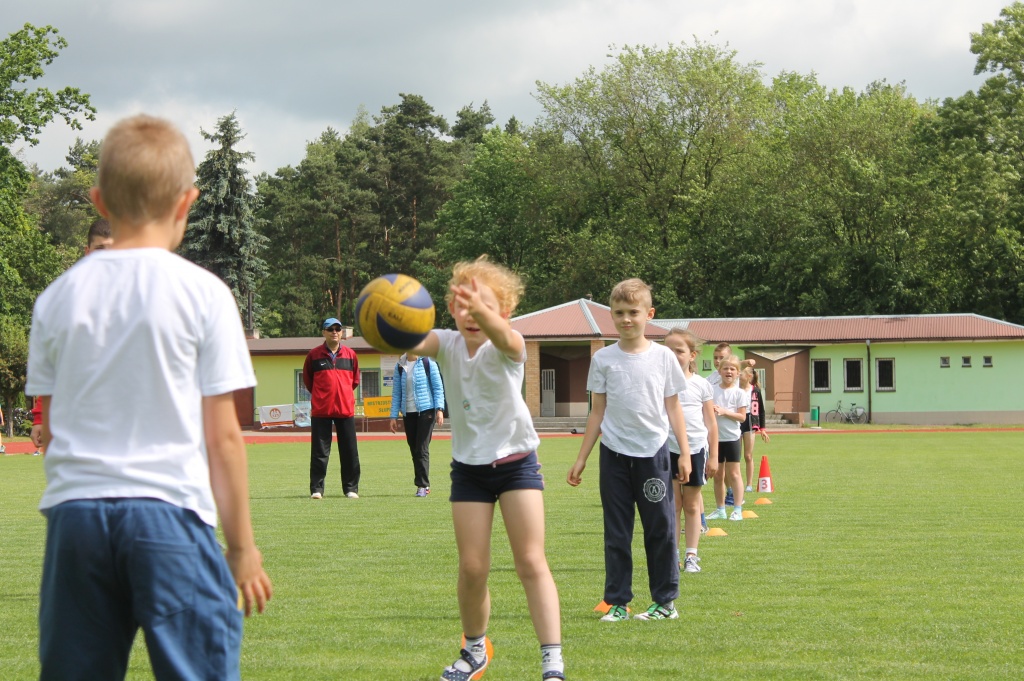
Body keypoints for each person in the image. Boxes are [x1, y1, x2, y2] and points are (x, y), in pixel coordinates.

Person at [25, 114, 272, 680]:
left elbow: (52, 425)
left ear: (99, 200)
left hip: (76, 520)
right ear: (188, 201)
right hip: (170, 515)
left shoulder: (56, 300)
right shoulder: (205, 294)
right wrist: (241, 547)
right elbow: (224, 435)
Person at [410, 255, 564, 681]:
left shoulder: (510, 342)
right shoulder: (447, 342)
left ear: (505, 311)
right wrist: (388, 316)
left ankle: (552, 660)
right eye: (462, 305)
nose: (471, 314)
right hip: (470, 470)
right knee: (473, 567)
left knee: (530, 561)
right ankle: (474, 650)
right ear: (451, 310)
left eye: (483, 306)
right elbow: (408, 340)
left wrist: (482, 311)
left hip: (517, 466)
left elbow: (504, 337)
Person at [567, 278, 690, 623]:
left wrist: (683, 453)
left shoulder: (664, 357)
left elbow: (674, 408)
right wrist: (581, 459)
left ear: (648, 314)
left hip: (654, 455)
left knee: (660, 530)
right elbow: (597, 412)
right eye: (619, 313)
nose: (626, 319)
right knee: (617, 531)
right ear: (611, 316)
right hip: (614, 456)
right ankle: (618, 602)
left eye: (633, 312)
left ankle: (665, 602)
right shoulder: (603, 358)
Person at [30, 218, 114, 454]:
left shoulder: (141, 296)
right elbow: (50, 363)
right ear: (87, 252)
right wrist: (39, 417)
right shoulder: (66, 299)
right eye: (100, 249)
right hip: (77, 424)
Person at [664, 329, 718, 574]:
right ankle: (672, 555)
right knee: (672, 506)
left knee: (692, 505)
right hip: (667, 449)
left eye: (679, 351)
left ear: (692, 355)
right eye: (669, 350)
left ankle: (691, 555)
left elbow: (711, 423)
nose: (673, 355)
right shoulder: (659, 381)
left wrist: (714, 456)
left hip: (695, 449)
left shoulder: (701, 385)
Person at [304, 317, 361, 499]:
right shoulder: (314, 355)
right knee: (320, 452)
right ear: (324, 332)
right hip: (322, 410)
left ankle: (351, 489)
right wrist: (323, 396)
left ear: (341, 333)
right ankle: (317, 489)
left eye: (337, 329)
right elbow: (308, 381)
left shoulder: (351, 355)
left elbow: (355, 381)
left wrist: (342, 394)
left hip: (345, 410)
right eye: (330, 329)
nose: (334, 332)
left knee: (350, 451)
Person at [389, 351, 445, 497]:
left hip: (427, 411)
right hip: (409, 413)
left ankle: (423, 485)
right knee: (414, 449)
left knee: (421, 448)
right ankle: (421, 482)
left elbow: (438, 387)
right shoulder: (400, 365)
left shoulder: (428, 362)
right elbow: (396, 393)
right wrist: (393, 416)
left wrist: (439, 409)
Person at [706, 355, 748, 522]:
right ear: (719, 371)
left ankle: (737, 509)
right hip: (714, 439)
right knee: (717, 475)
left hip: (731, 438)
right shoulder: (712, 390)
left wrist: (725, 412)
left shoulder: (739, 393)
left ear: (738, 373)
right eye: (725, 368)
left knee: (734, 474)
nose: (729, 371)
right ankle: (720, 509)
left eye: (732, 369)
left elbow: (742, 417)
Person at [740, 367, 770, 492]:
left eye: (741, 373)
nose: (739, 375)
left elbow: (761, 410)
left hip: (750, 422)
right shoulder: (735, 390)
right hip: (737, 420)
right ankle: (733, 486)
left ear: (748, 376)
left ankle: (749, 484)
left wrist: (762, 428)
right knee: (735, 456)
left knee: (748, 455)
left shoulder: (755, 391)